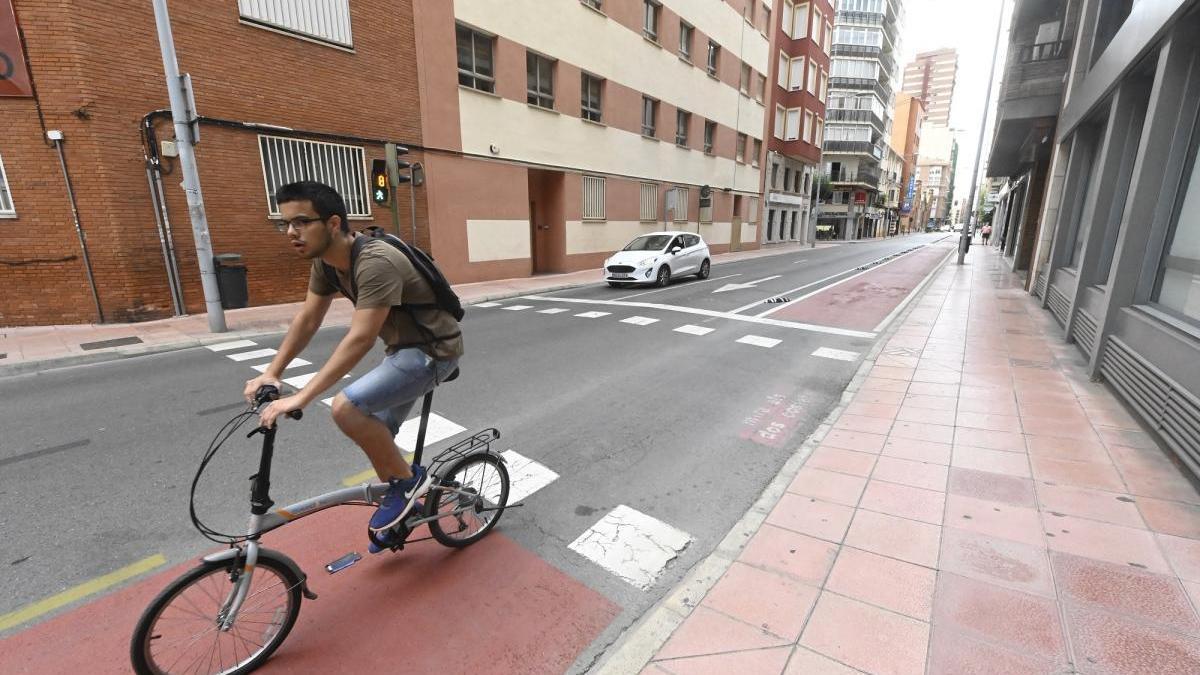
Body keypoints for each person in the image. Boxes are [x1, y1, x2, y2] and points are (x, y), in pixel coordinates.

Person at [244, 180, 463, 550]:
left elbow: (361, 338)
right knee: (378, 436)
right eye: (285, 224)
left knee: (347, 408)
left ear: (332, 224)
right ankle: (406, 506)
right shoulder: (327, 265)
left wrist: (302, 397)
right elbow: (308, 319)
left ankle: (408, 487)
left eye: (301, 222)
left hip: (432, 352)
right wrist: (272, 372)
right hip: (403, 351)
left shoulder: (375, 262)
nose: (291, 233)